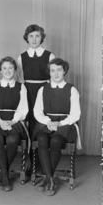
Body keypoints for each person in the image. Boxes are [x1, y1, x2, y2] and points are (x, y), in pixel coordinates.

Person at [33, 58, 81, 196]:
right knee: (42, 139)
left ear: (64, 71)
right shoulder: (43, 89)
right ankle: (50, 179)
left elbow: (75, 114)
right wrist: (48, 122)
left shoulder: (72, 90)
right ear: (49, 72)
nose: (56, 73)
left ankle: (48, 179)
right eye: (52, 70)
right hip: (46, 122)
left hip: (65, 124)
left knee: (55, 141)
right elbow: (37, 111)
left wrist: (60, 123)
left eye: (59, 70)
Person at [0, 56, 28, 191]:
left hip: (15, 120)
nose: (8, 71)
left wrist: (13, 121)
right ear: (0, 70)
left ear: (15, 70)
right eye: (4, 68)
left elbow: (23, 108)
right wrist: (0, 122)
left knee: (12, 139)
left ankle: (3, 176)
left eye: (10, 68)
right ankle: (5, 178)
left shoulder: (21, 87)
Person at [17, 24, 55, 174]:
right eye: (31, 36)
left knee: (41, 126)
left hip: (44, 92)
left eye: (37, 36)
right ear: (27, 38)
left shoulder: (49, 56)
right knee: (29, 126)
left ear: (42, 38)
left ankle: (40, 162)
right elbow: (20, 79)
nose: (34, 39)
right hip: (28, 93)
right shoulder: (22, 57)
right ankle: (29, 163)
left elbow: (53, 77)